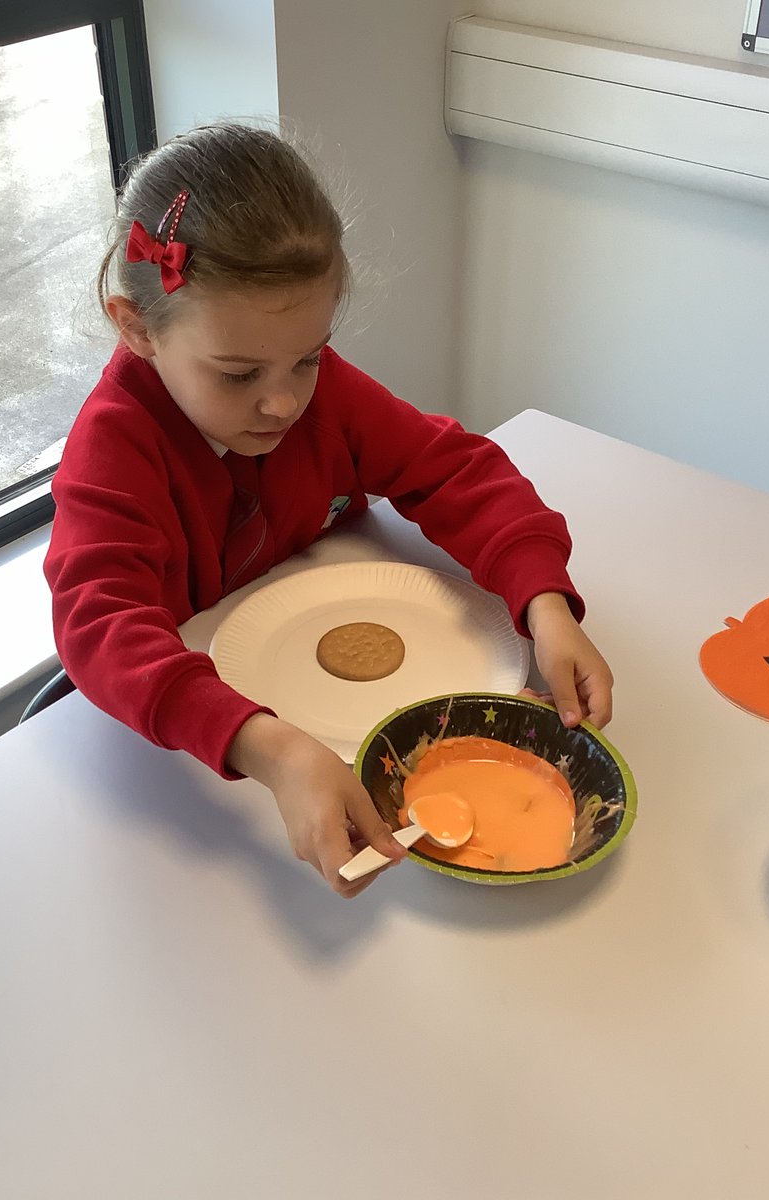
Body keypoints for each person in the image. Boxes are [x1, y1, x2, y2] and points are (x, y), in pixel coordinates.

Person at [44, 122, 613, 899]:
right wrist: (270, 749)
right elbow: (98, 623)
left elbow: (452, 468)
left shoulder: (323, 396)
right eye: (239, 374)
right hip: (194, 768)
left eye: (307, 357)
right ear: (138, 327)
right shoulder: (115, 449)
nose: (282, 401)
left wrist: (544, 601)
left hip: (341, 704)